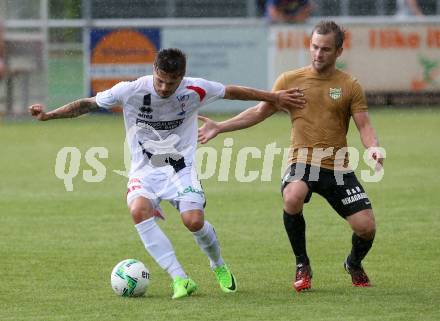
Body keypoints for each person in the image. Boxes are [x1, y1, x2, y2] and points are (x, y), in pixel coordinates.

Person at [28, 48, 304, 299]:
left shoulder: (195, 89)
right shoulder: (130, 90)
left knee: (193, 221)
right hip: (144, 172)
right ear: (153, 70)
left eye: (171, 83)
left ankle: (218, 265)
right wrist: (49, 115)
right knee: (138, 210)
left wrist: (274, 97)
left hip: (181, 171)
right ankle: (180, 279)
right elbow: (88, 104)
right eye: (160, 80)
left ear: (181, 78)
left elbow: (232, 91)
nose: (163, 87)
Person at [198, 21, 384, 292]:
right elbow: (259, 112)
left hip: (338, 168)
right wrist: (220, 126)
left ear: (339, 51)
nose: (318, 54)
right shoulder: (290, 81)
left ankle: (353, 263)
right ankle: (302, 263)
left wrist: (373, 147)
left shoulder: (349, 85)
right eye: (314, 47)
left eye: (326, 49)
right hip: (303, 162)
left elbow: (364, 125)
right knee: (293, 195)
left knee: (366, 227)